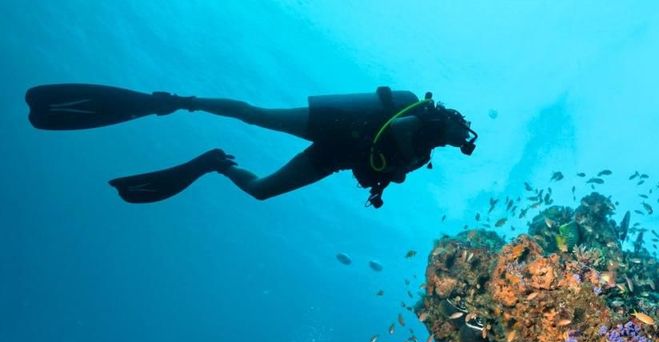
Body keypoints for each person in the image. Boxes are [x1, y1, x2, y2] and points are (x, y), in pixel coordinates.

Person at [25, 84, 477, 207]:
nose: (460, 142)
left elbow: (386, 170)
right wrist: (400, 161)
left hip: (336, 155)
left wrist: (393, 171)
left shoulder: (426, 153)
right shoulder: (426, 118)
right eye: (462, 135)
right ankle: (181, 102)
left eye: (462, 141)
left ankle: (216, 164)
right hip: (338, 124)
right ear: (456, 124)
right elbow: (392, 141)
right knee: (255, 113)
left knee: (261, 190)